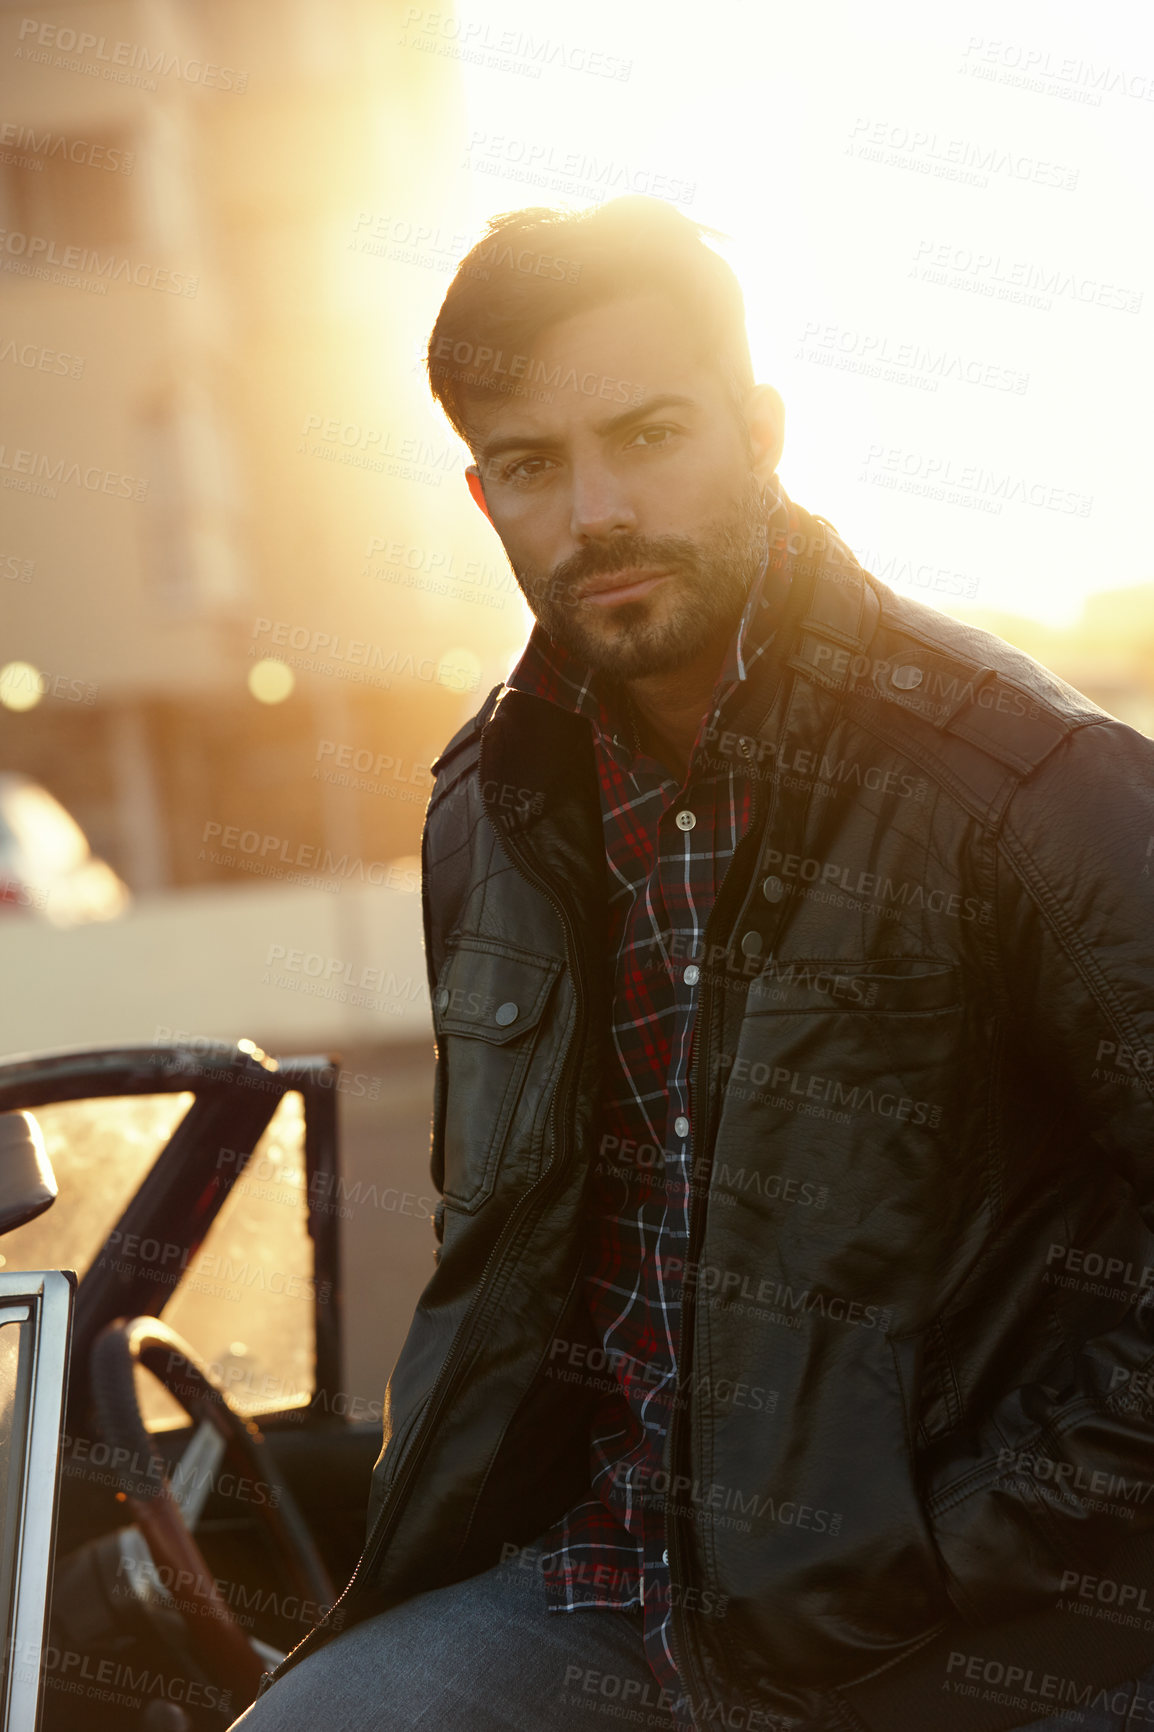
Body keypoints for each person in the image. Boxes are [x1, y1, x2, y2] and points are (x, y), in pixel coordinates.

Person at [232, 198, 1154, 1731]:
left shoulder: (1019, 781)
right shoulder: (489, 807)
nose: (594, 509)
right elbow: (509, 1259)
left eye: (646, 435)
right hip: (596, 1584)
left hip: (960, 1626)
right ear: (480, 495)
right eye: (531, 464)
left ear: (761, 429)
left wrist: (985, 1543)